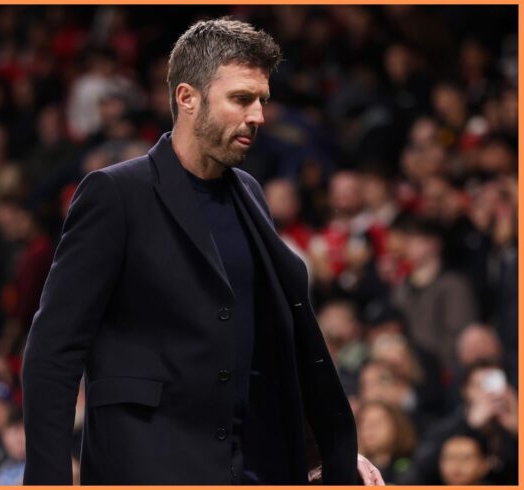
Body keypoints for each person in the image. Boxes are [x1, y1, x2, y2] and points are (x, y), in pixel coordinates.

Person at [22, 18, 383, 485]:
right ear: (187, 97)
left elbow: (268, 348)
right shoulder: (116, 195)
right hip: (147, 472)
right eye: (241, 99)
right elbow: (53, 353)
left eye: (262, 100)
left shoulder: (250, 193)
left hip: (253, 470)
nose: (258, 116)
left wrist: (322, 454)